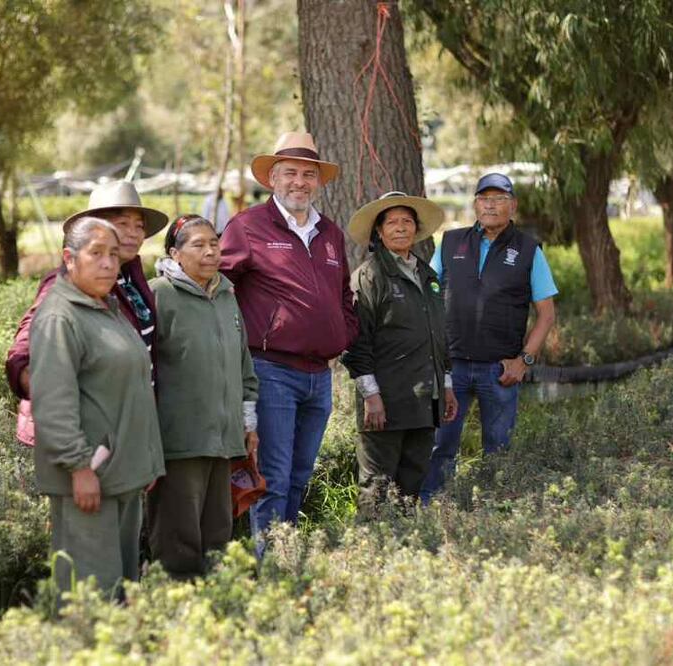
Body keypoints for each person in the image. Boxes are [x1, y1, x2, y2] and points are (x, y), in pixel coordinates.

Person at [219, 131, 358, 552]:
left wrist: (342, 332)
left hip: (321, 375)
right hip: (271, 371)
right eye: (291, 173)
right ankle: (270, 568)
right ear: (273, 179)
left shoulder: (330, 233)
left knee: (300, 474)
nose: (300, 182)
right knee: (274, 476)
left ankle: (286, 554)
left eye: (308, 174)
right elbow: (218, 286)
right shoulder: (248, 227)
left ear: (318, 181)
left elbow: (343, 296)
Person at [30, 216, 165, 598]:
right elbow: (54, 403)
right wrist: (79, 469)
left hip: (122, 474)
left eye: (113, 254)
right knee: (89, 594)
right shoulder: (61, 316)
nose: (108, 263)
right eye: (96, 254)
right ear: (69, 259)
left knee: (120, 588)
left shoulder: (104, 305)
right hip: (89, 481)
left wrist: (146, 457)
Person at [420, 173, 558, 499]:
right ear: (475, 204)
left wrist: (523, 361)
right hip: (452, 368)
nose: (491, 205)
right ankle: (430, 513)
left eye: (499, 198)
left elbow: (547, 314)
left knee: (498, 450)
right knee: (440, 447)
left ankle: (494, 515)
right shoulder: (451, 242)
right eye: (485, 198)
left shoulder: (528, 250)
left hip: (500, 372)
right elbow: (426, 296)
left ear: (513, 206)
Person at [5, 180, 167, 444]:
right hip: (90, 434)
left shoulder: (130, 278)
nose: (133, 233)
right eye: (123, 223)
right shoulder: (68, 281)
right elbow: (24, 352)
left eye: (139, 226)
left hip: (129, 425)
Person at [148, 215, 258, 578]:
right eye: (198, 244)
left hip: (224, 437)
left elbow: (243, 364)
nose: (210, 251)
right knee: (178, 534)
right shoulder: (158, 295)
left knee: (218, 532)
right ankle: (176, 606)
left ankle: (216, 605)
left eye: (214, 242)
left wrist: (247, 420)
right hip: (180, 439)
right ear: (174, 254)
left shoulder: (226, 294)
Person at [341, 192, 458, 511]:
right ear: (379, 231)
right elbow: (355, 342)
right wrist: (371, 395)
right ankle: (370, 555)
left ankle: (403, 551)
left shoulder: (428, 275)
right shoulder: (368, 277)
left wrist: (446, 385)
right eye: (392, 222)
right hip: (385, 402)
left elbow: (438, 335)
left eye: (407, 221)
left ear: (417, 229)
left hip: (425, 401)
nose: (401, 227)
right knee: (377, 490)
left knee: (412, 485)